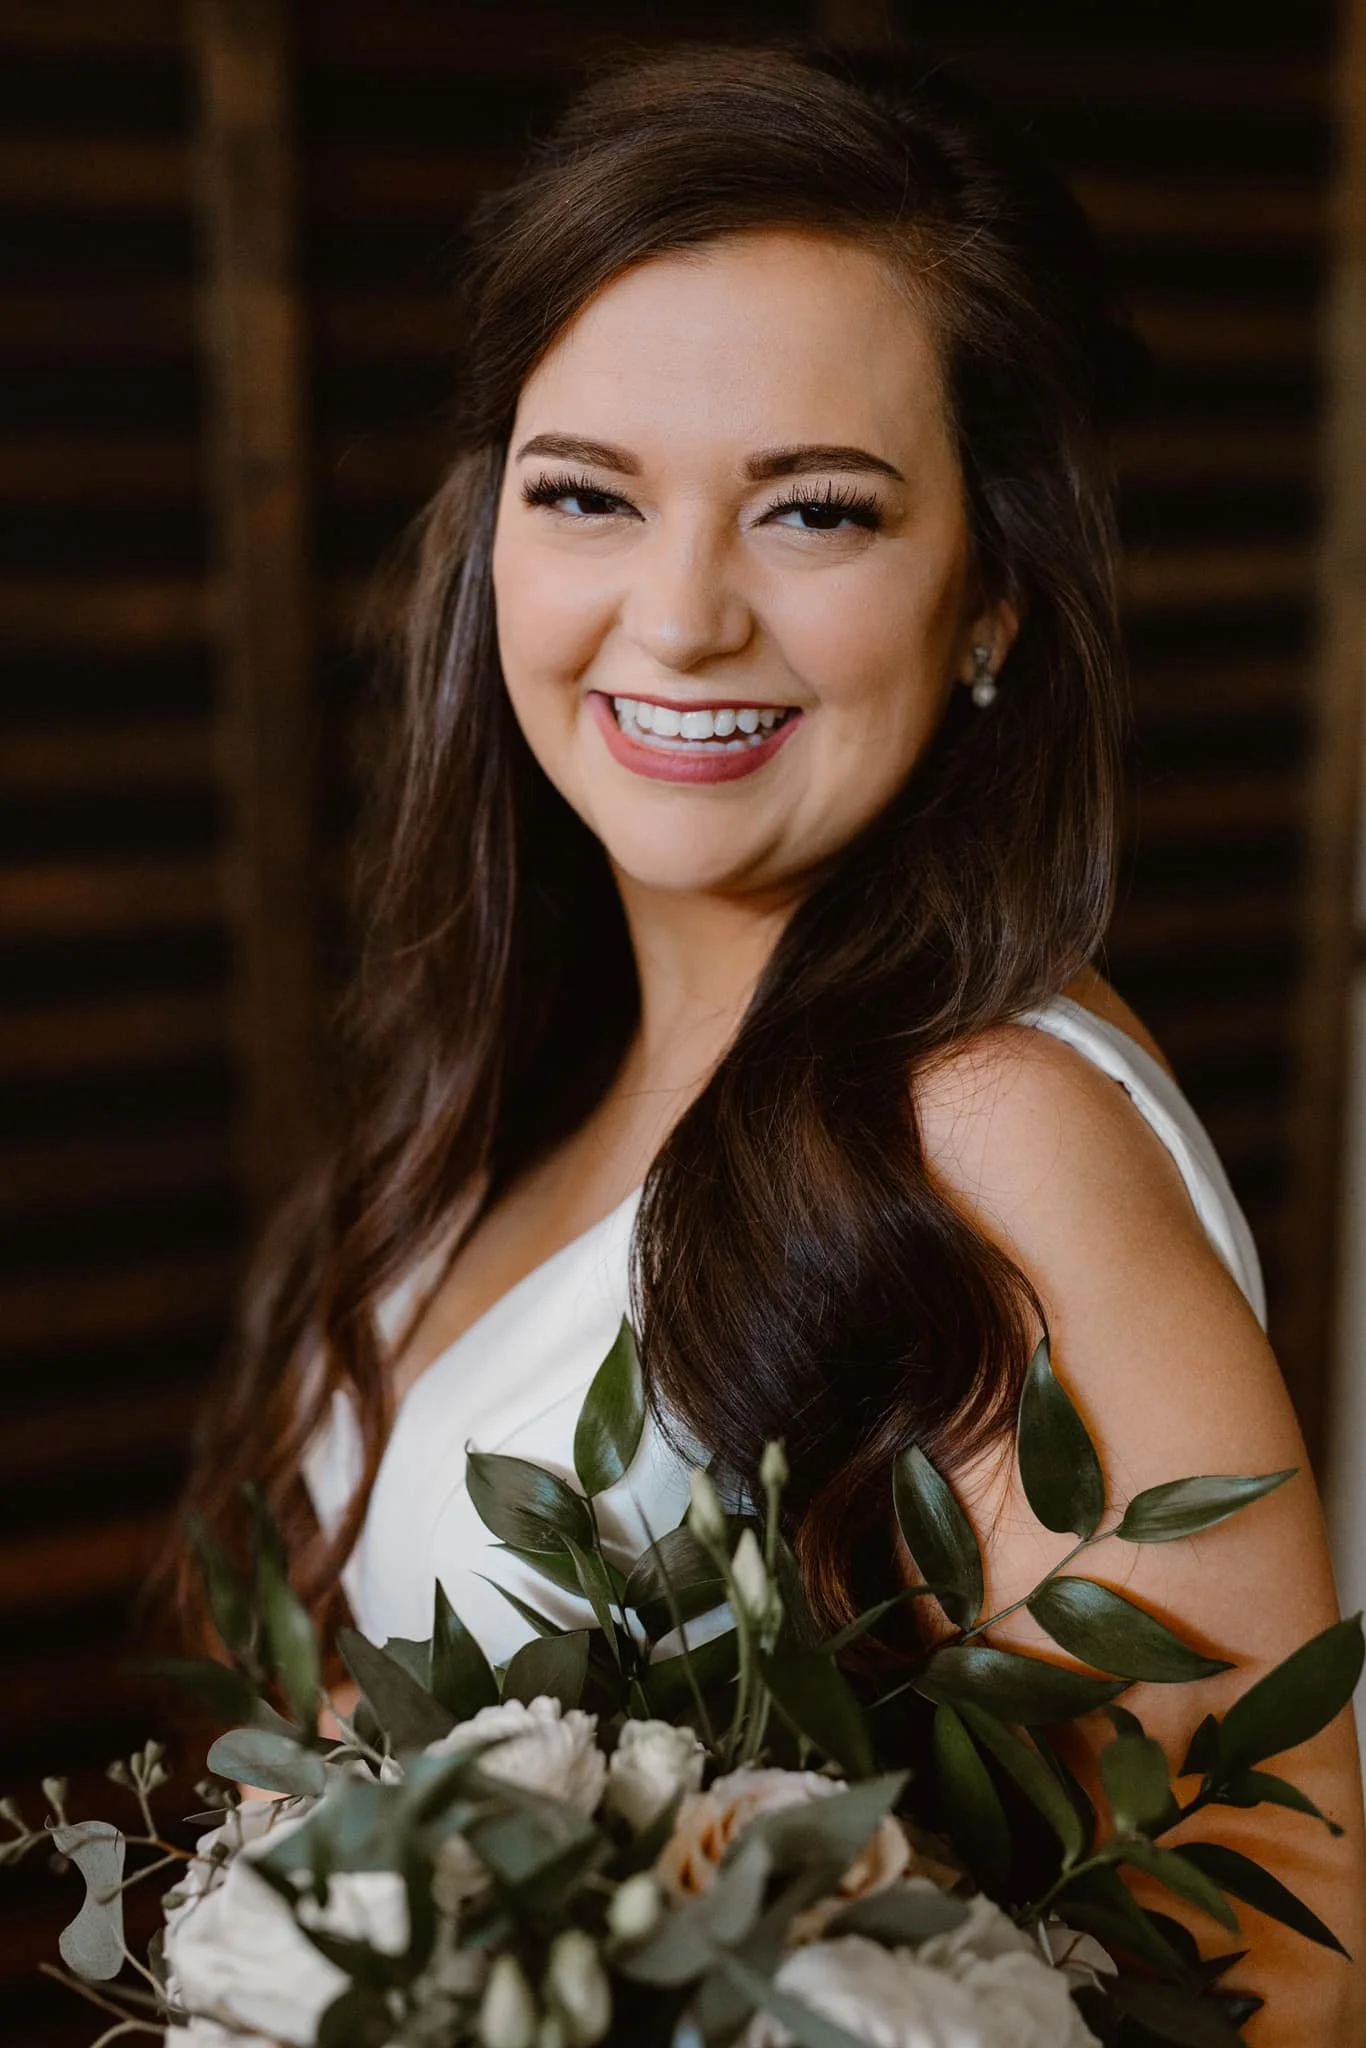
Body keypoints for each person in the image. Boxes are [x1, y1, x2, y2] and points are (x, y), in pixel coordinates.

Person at [179, 42, 1365, 2037]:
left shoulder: (986, 1121)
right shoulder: (525, 1074)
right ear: (491, 536)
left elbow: (1270, 1944)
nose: (679, 613)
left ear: (989, 593)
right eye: (588, 496)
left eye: (812, 512)